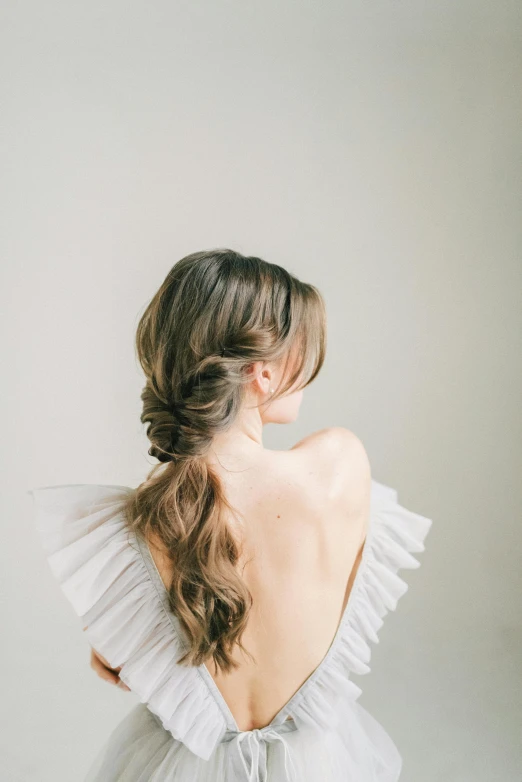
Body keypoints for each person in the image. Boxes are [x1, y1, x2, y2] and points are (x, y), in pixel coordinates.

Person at [29, 248, 433, 781]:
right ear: (262, 375)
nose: (309, 373)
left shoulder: (137, 524)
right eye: (302, 353)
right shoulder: (338, 464)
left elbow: (119, 661)